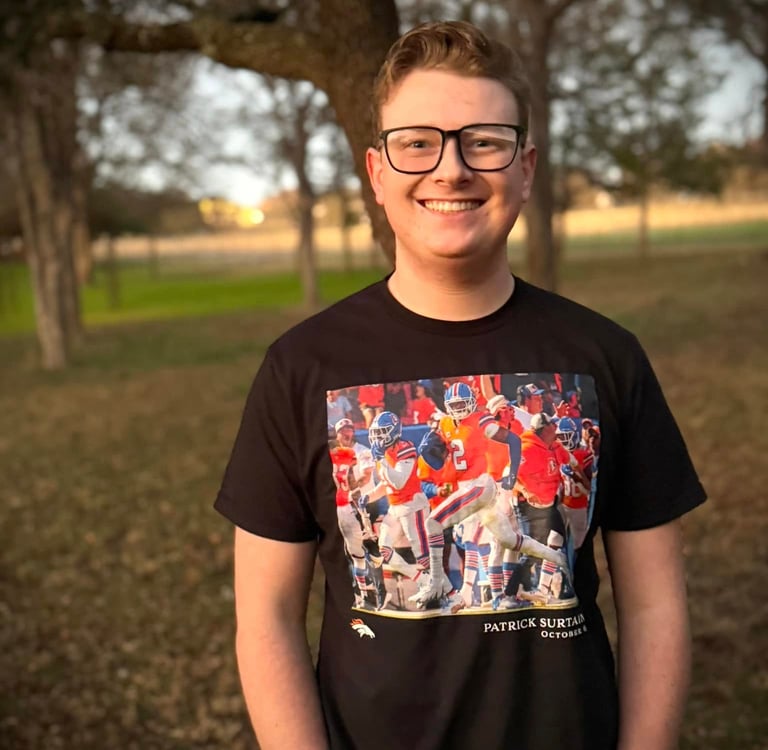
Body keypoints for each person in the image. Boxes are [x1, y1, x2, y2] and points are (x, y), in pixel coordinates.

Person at [215, 20, 705, 750]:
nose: (451, 170)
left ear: (526, 169)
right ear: (377, 173)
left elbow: (656, 606)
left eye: (484, 141)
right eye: (418, 143)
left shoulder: (607, 355)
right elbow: (265, 620)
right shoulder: (300, 368)